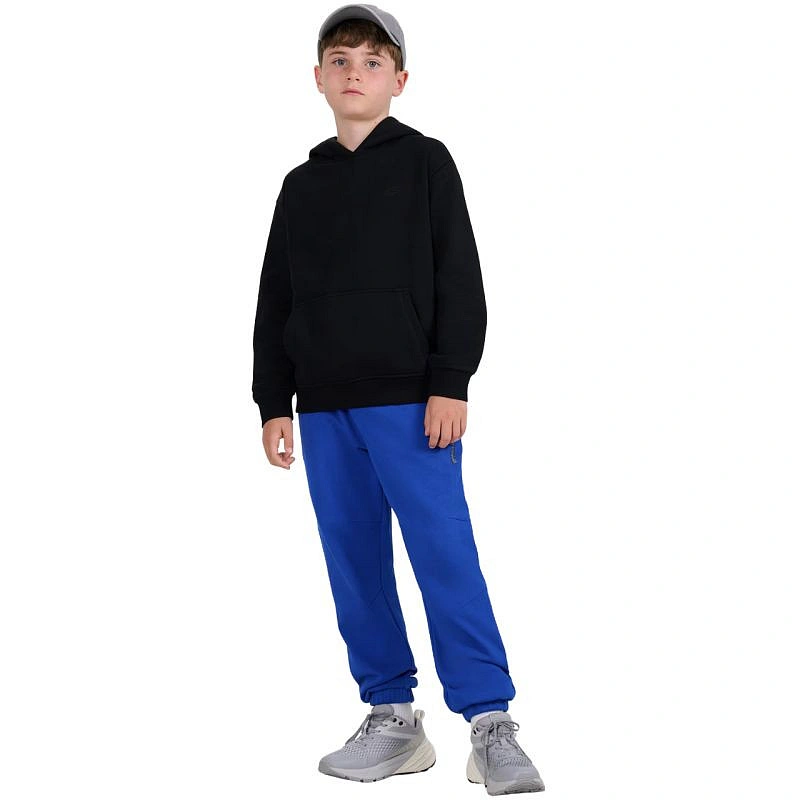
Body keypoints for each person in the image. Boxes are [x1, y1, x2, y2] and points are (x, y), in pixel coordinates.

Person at [252, 3, 545, 794]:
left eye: (372, 62)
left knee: (444, 555)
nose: (355, 73)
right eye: (340, 61)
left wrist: (450, 380)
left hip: (411, 403)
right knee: (354, 562)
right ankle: (392, 717)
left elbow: (460, 277)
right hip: (322, 407)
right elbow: (276, 298)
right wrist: (273, 400)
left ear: (400, 81)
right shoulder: (300, 186)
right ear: (319, 79)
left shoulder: (425, 164)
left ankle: (490, 722)